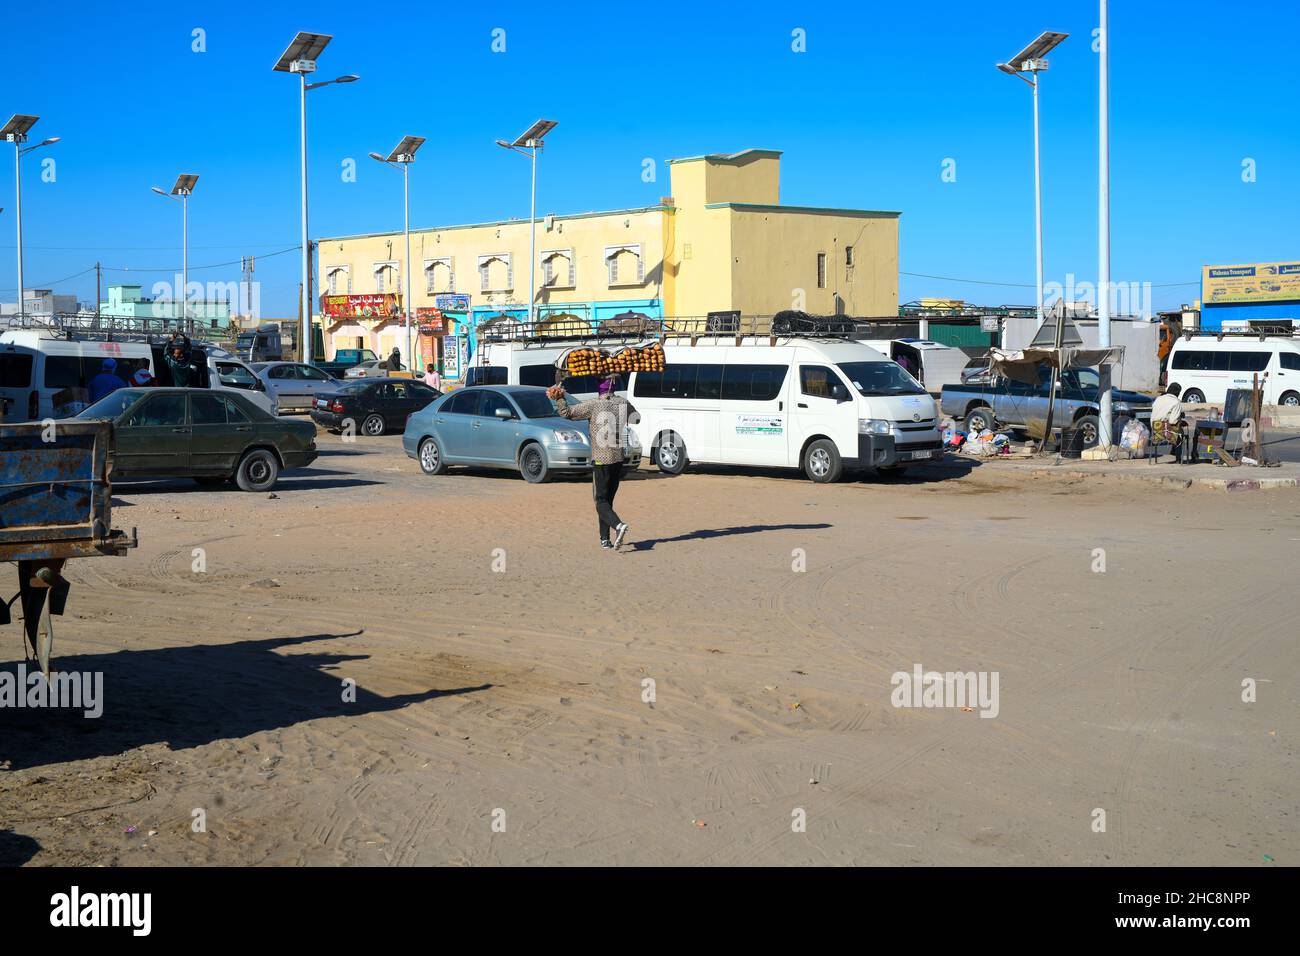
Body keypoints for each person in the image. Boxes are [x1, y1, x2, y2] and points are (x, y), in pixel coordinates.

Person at [547, 376, 632, 550]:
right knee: (607, 500)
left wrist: (560, 398)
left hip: (601, 458)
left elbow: (567, 413)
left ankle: (618, 525)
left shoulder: (593, 405)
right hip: (617, 458)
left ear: (599, 388)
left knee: (600, 500)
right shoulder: (623, 402)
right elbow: (636, 418)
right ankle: (605, 539)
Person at [1150, 383, 1185, 460]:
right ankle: (1178, 457)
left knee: (1175, 428)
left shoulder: (1158, 399)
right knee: (1180, 431)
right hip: (1166, 433)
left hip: (1155, 432)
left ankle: (1173, 450)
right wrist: (1181, 420)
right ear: (1178, 393)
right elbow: (1173, 421)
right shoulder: (1176, 402)